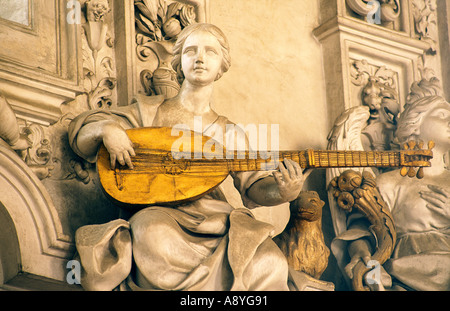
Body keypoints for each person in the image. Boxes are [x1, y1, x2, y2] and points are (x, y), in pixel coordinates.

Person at [69, 23, 305, 291]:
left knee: (270, 259)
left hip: (217, 219)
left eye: (210, 52)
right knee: (150, 234)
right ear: (179, 63)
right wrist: (108, 129)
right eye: (191, 50)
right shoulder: (150, 112)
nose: (200, 58)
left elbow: (253, 188)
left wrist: (285, 191)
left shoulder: (229, 132)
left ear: (222, 67)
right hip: (162, 213)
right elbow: (81, 135)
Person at [333, 89, 450, 290]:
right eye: (442, 115)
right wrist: (360, 253)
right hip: (404, 269)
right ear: (415, 124)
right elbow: (363, 228)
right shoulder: (389, 183)